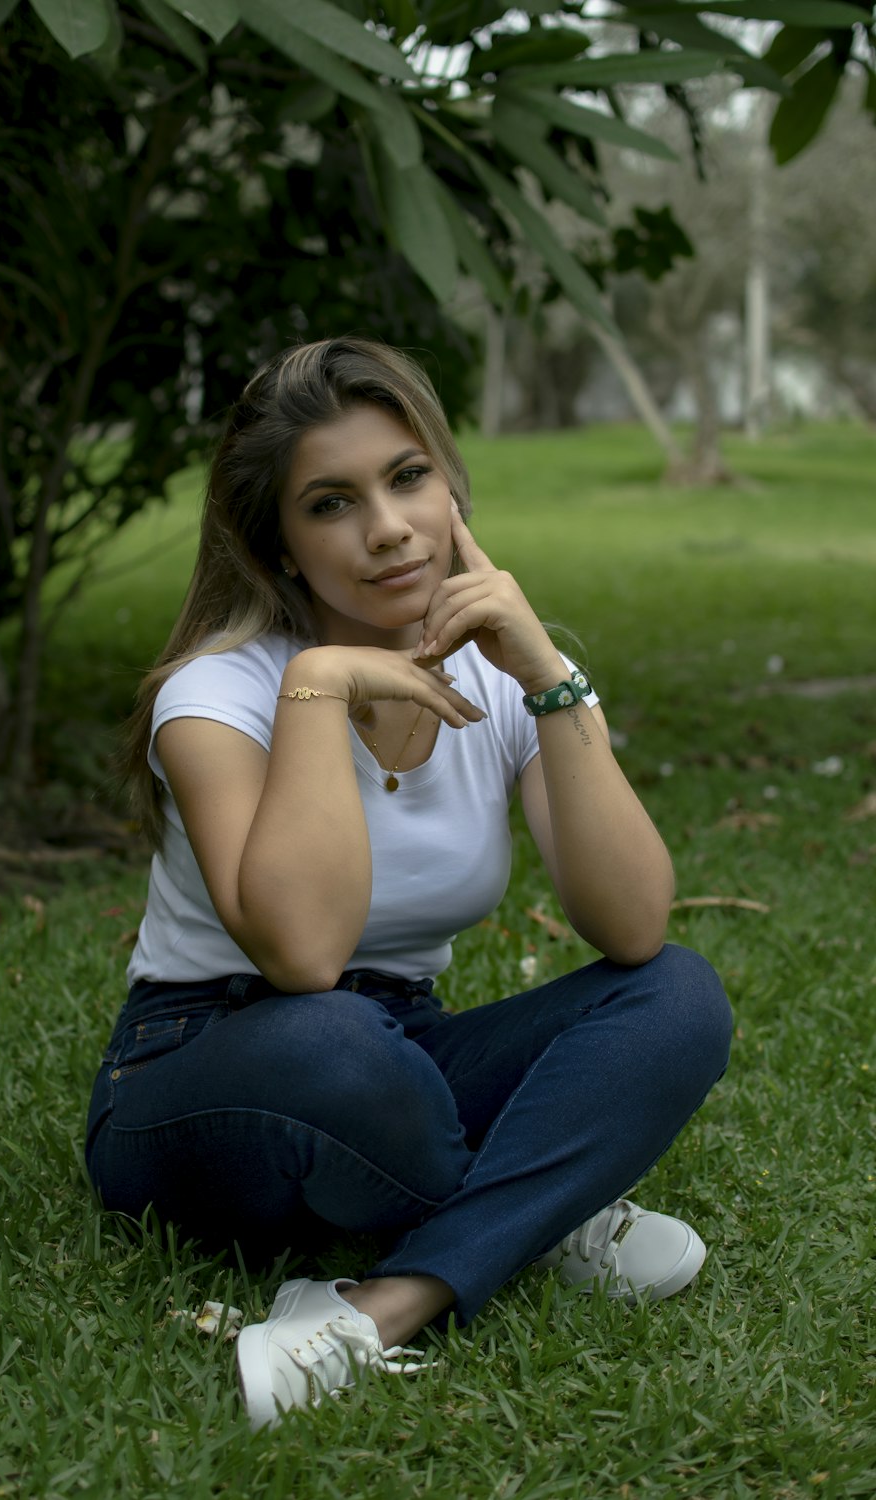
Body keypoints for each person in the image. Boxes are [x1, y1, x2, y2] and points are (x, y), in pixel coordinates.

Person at [85, 336, 732, 1432]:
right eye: (330, 504)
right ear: (279, 546)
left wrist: (548, 677)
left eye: (407, 477)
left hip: (401, 1058)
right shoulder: (214, 697)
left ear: (449, 487)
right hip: (210, 1067)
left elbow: (628, 924)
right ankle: (535, 1203)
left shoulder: (501, 677)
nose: (386, 528)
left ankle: (389, 1300)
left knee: (676, 997)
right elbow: (301, 955)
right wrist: (320, 684)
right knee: (333, 1041)